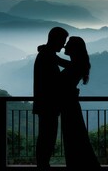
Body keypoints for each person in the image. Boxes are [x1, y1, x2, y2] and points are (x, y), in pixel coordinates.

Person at [60, 36, 101, 169]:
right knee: (76, 135)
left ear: (74, 49)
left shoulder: (76, 65)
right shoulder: (79, 64)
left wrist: (46, 51)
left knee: (73, 135)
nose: (65, 46)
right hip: (70, 104)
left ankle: (77, 165)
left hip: (69, 105)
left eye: (68, 44)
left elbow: (59, 61)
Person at [33, 26, 69, 169]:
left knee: (46, 136)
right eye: (62, 41)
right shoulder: (48, 55)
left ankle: (43, 164)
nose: (63, 45)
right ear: (56, 39)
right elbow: (58, 76)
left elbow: (61, 63)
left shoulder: (47, 53)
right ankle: (43, 165)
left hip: (44, 104)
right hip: (48, 105)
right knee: (47, 137)